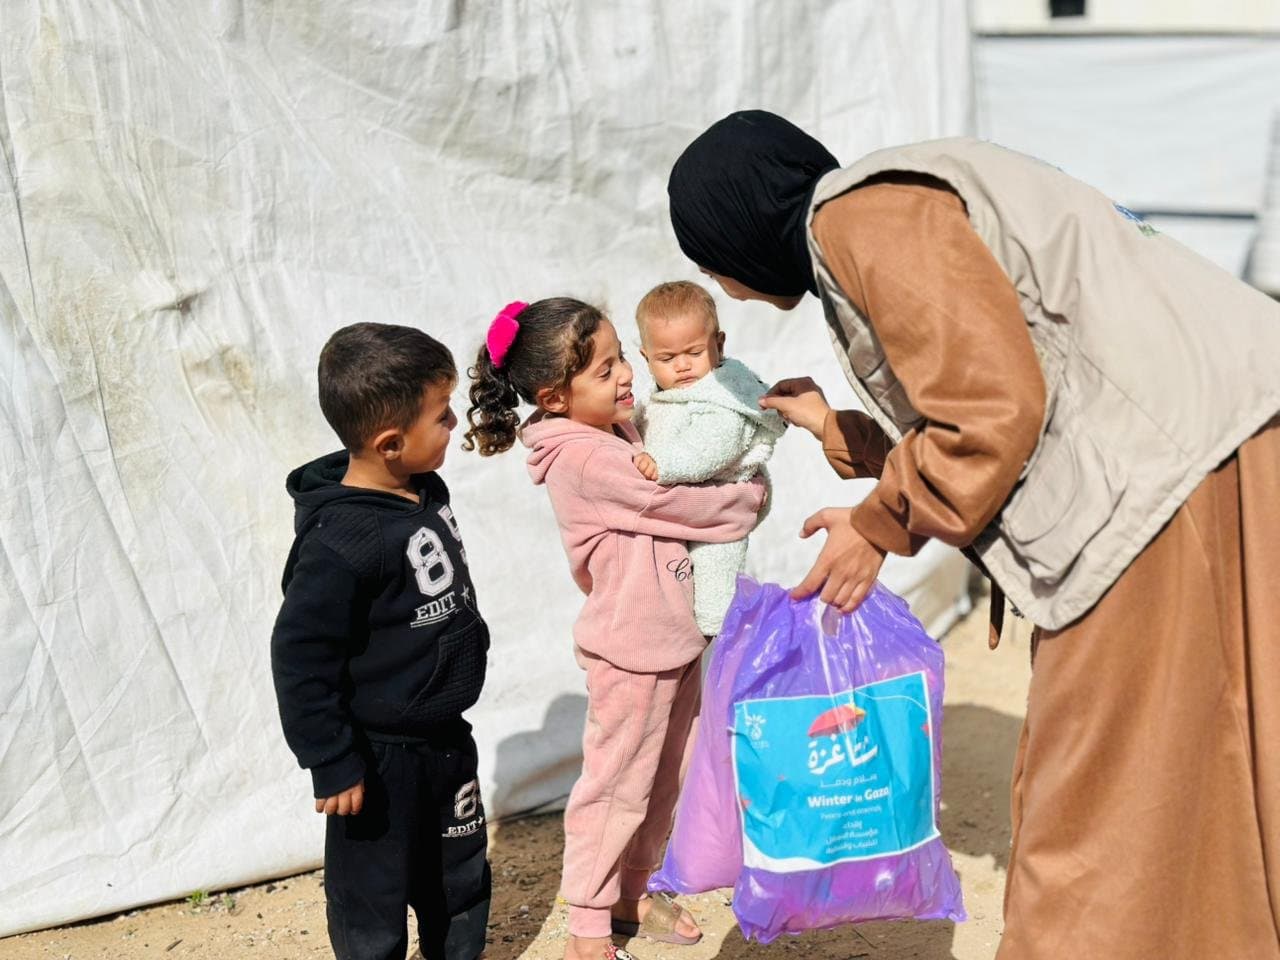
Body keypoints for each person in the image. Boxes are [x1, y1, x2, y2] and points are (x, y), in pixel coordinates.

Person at [666, 110, 1280, 959]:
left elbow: (992, 415)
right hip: (1220, 444)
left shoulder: (861, 216)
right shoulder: (890, 202)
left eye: (709, 259)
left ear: (737, 229)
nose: (720, 281)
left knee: (1097, 794)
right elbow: (998, 402)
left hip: (1166, 479)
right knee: (1217, 751)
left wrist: (878, 528)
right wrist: (840, 433)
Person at [465, 298, 766, 960]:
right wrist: (750, 495)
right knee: (616, 787)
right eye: (605, 370)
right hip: (631, 649)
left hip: (675, 636)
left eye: (622, 357)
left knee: (665, 779)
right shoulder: (581, 458)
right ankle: (589, 928)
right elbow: (677, 503)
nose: (627, 375)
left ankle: (634, 889)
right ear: (554, 396)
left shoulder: (618, 430)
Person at [271, 323, 491, 960]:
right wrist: (332, 759)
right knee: (372, 901)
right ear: (391, 442)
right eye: (442, 415)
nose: (454, 423)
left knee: (460, 882)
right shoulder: (339, 545)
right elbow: (300, 658)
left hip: (446, 740)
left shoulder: (425, 487)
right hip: (375, 762)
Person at [631, 280, 786, 636]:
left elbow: (713, 448)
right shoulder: (660, 393)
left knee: (716, 575)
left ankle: (720, 629)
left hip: (720, 509)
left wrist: (663, 464)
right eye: (667, 358)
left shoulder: (724, 394)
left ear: (718, 344)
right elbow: (648, 422)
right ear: (646, 358)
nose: (682, 366)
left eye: (694, 352)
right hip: (681, 507)